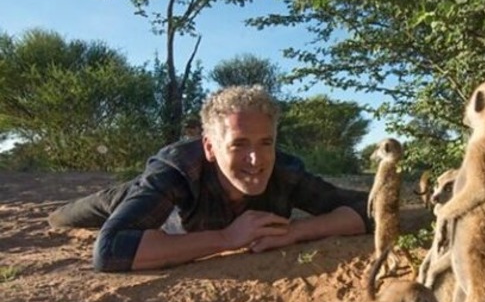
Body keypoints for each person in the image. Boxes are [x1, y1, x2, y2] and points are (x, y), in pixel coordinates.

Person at [48, 85, 372, 272]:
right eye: (239, 145)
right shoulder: (177, 171)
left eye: (265, 143)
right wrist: (228, 238)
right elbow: (111, 251)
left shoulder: (285, 172)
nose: (256, 160)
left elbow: (368, 208)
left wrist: (297, 231)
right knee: (64, 217)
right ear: (210, 147)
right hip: (137, 198)